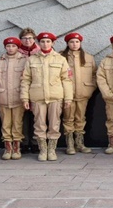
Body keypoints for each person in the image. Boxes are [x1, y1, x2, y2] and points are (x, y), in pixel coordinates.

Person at [20, 32, 73, 162]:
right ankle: (43, 150)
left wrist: (68, 98)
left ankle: (52, 150)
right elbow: (26, 80)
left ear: (53, 43)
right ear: (38, 43)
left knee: (54, 124)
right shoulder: (31, 59)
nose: (45, 44)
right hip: (37, 97)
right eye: (42, 41)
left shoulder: (60, 59)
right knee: (39, 124)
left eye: (48, 41)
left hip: (56, 96)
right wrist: (25, 98)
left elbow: (66, 80)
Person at [60, 32, 97, 155]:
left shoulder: (88, 57)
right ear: (67, 43)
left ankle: (80, 143)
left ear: (80, 43)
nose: (74, 44)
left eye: (77, 42)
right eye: (71, 42)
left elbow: (94, 75)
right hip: (67, 95)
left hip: (83, 94)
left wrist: (89, 89)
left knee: (80, 118)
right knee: (68, 118)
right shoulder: (61, 57)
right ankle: (70, 144)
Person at [0, 37, 27, 160]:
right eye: (8, 46)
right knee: (5, 123)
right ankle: (7, 148)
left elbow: (27, 80)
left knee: (17, 123)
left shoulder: (24, 61)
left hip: (18, 97)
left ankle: (17, 147)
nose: (11, 48)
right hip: (2, 96)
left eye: (13, 46)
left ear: (18, 47)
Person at [17, 27, 41, 154]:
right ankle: (24, 142)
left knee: (37, 117)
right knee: (23, 117)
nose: (27, 41)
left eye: (30, 38)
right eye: (24, 38)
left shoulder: (40, 51)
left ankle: (36, 142)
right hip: (21, 88)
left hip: (37, 89)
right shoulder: (16, 52)